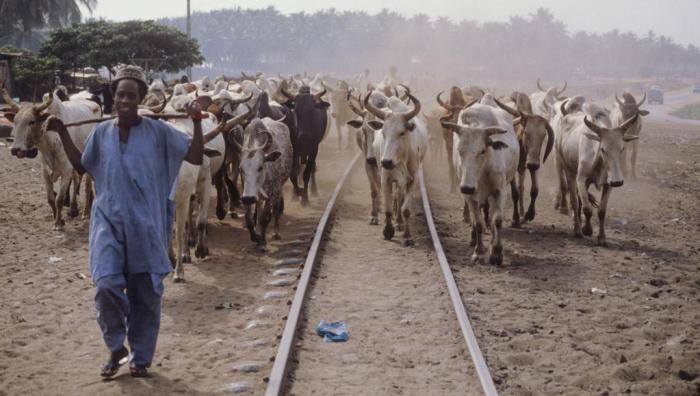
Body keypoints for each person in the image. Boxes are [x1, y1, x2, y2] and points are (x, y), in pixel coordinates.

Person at [47, 65, 205, 378]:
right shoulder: (102, 133)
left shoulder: (159, 132)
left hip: (146, 226)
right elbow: (82, 166)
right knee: (106, 285)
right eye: (120, 94)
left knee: (145, 294)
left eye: (132, 96)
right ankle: (117, 347)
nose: (125, 100)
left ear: (140, 99)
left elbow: (196, 158)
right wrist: (62, 131)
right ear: (113, 97)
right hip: (108, 223)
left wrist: (198, 124)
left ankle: (141, 357)